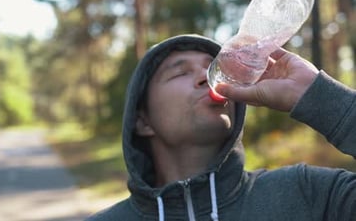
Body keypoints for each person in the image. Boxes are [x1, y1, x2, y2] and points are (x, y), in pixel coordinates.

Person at [85, 34, 356, 221]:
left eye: (213, 68)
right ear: (143, 121)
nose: (207, 77)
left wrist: (319, 96)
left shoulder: (307, 193)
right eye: (180, 72)